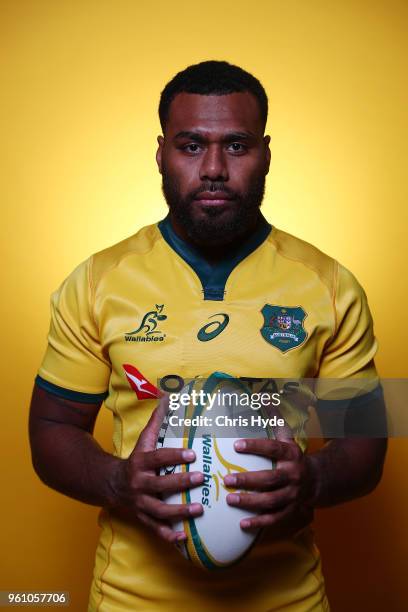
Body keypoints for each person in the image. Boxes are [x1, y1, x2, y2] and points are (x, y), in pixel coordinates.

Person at [29, 60, 387, 611]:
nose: (214, 168)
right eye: (191, 145)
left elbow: (367, 444)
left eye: (237, 146)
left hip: (287, 600)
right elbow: (52, 426)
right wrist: (115, 481)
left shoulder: (330, 285)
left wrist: (311, 480)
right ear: (160, 153)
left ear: (266, 153)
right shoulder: (98, 281)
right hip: (131, 600)